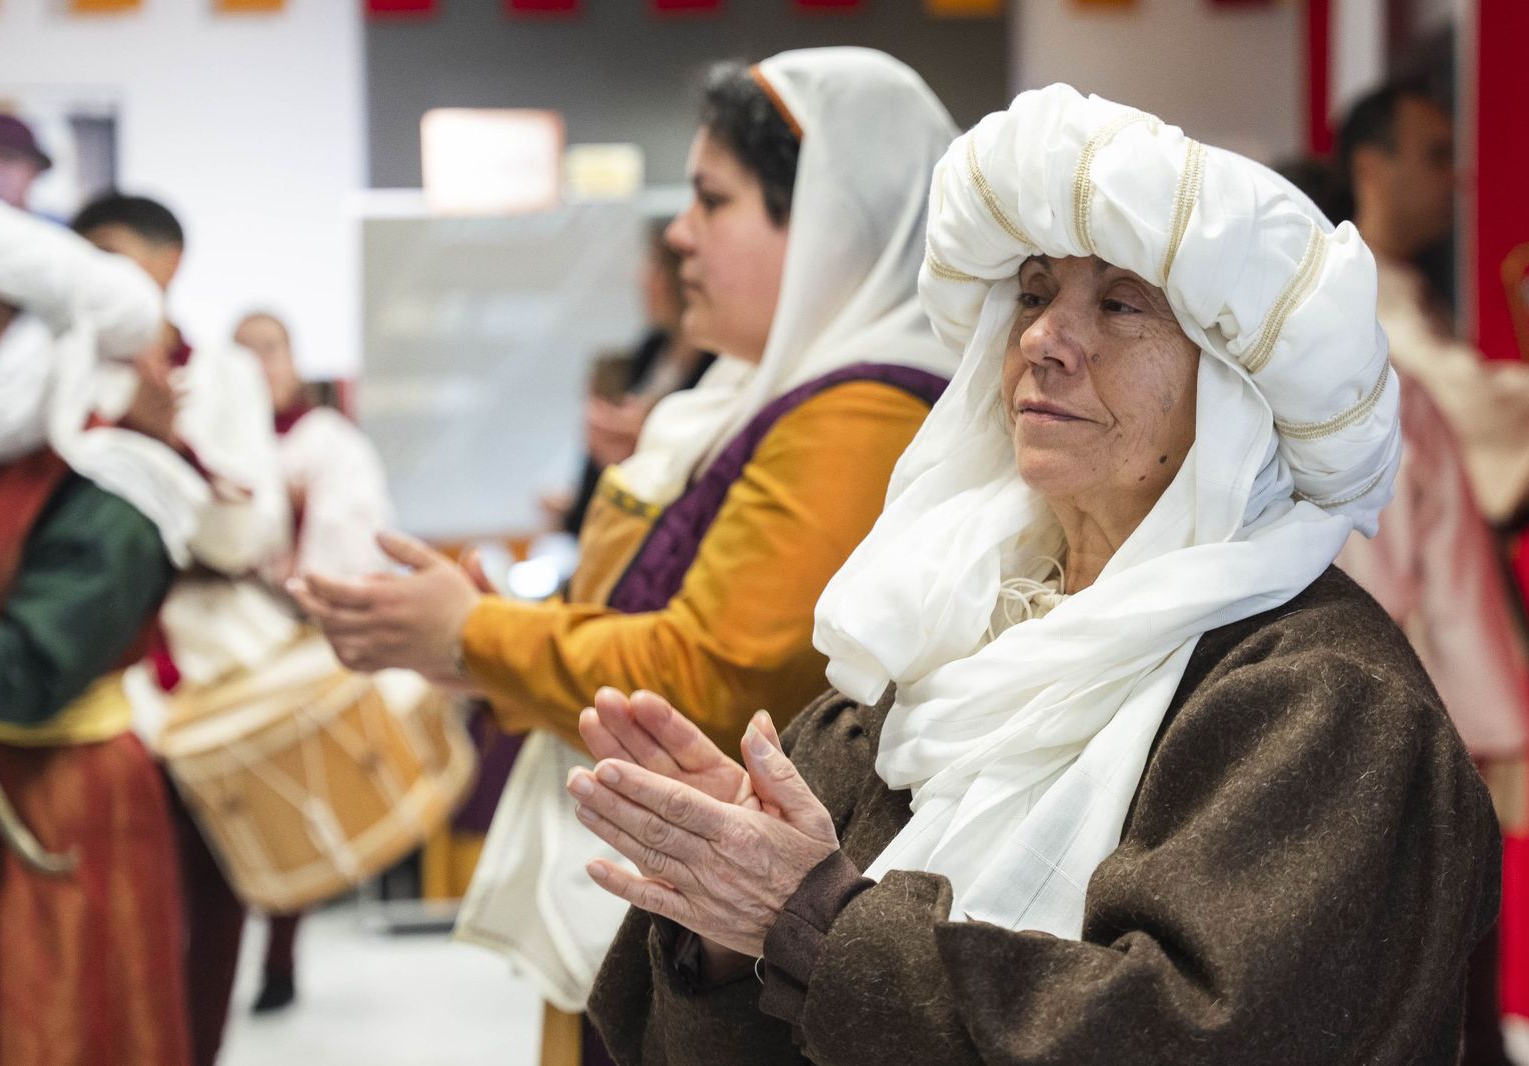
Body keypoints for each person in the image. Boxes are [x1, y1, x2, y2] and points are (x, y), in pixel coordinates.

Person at [570, 85, 1498, 1065]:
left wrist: (816, 922)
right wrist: (727, 926)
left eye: (1120, 303)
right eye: (1033, 293)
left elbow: (1192, 1038)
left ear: (1233, 389)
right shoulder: (940, 626)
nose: (1044, 341)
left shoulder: (1318, 699)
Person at [294, 47, 961, 1066]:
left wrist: (474, 632)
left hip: (737, 947)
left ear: (832, 221)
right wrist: (466, 631)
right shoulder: (754, 397)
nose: (680, 235)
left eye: (711, 199)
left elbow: (718, 673)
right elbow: (641, 604)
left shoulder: (860, 409)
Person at [0, 196, 208, 1066]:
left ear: (44, 339)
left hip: (52, 818)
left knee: (51, 1028)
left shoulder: (113, 489)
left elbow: (30, 673)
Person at [73, 193, 291, 1066]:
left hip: (205, 683)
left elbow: (250, 533)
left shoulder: (223, 377)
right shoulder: (58, 365)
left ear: (169, 264)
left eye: (118, 259)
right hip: (92, 683)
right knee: (98, 919)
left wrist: (160, 457)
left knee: (206, 914)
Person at [232, 309, 397, 1013]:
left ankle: (278, 959)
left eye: (269, 350)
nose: (258, 367)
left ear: (294, 359)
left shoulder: (329, 441)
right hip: (225, 656)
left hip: (296, 645)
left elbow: (355, 540)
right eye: (241, 355)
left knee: (285, 810)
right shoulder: (218, 443)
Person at [1342, 81, 1529, 525]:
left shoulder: (1400, 282)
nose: (1455, 178)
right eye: (1436, 156)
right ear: (1371, 169)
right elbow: (1462, 408)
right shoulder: (1353, 293)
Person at [560, 222, 715, 534]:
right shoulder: (649, 349)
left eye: (656, 266)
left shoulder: (718, 368)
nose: (642, 279)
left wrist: (647, 443)